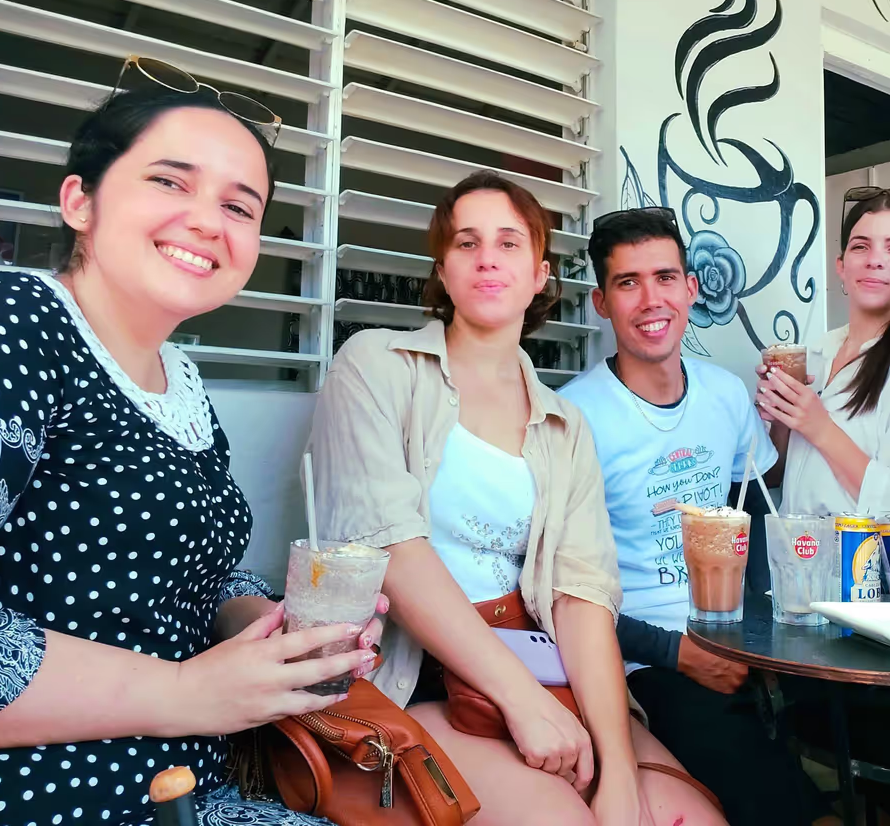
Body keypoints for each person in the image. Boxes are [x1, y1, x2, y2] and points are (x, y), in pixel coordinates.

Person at [0, 68, 384, 826]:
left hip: (192, 791)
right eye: (171, 182)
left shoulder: (179, 378)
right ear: (80, 202)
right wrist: (185, 692)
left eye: (239, 206)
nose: (208, 221)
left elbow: (189, 572)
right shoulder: (12, 324)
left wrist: (271, 625)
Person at [307, 173, 724, 826]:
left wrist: (616, 769)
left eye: (508, 243)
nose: (487, 259)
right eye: (466, 243)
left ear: (539, 274)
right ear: (442, 270)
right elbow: (390, 549)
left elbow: (581, 595)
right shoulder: (375, 365)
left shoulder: (564, 424)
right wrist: (521, 701)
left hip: (544, 664)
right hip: (418, 679)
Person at [559, 206, 839, 826]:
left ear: (690, 287)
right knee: (765, 785)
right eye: (627, 283)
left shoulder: (724, 394)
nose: (650, 300)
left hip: (741, 637)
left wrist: (767, 633)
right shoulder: (573, 418)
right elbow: (558, 590)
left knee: (864, 719)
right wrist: (676, 653)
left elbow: (752, 512)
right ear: (602, 303)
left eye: (664, 277)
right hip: (644, 661)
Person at [757, 190, 890, 535]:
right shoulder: (817, 351)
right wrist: (782, 419)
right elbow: (776, 476)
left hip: (860, 564)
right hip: (796, 555)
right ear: (841, 266)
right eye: (861, 246)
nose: (875, 260)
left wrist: (820, 428)